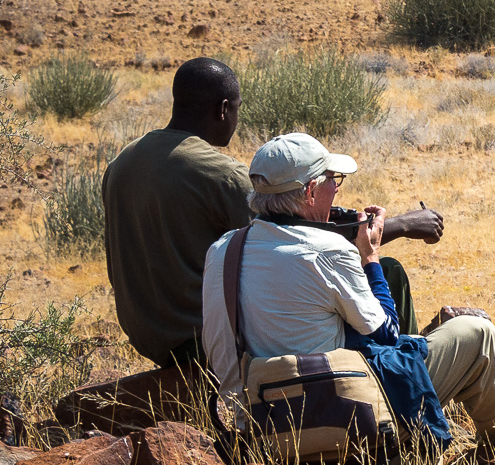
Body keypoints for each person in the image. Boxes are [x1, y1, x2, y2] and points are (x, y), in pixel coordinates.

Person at [103, 57, 444, 368]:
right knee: (388, 273)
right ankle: (409, 386)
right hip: (207, 336)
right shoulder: (220, 174)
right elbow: (294, 245)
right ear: (223, 109)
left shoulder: (122, 163)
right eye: (236, 109)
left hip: (148, 333)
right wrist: (397, 226)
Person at [202, 132, 495, 444]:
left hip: (259, 425)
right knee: (477, 334)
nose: (336, 189)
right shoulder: (328, 251)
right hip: (338, 421)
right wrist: (370, 256)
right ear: (309, 192)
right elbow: (388, 333)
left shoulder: (222, 251)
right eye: (333, 180)